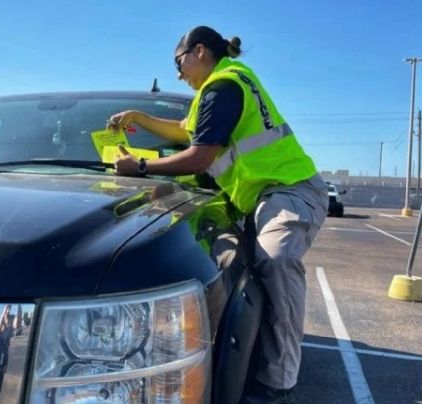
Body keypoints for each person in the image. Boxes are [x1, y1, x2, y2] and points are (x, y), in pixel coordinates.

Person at [108, 25, 328, 403]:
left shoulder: (224, 86)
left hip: (288, 189)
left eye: (179, 64)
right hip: (261, 196)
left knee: (277, 260)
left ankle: (279, 378)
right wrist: (140, 117)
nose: (179, 74)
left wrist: (141, 166)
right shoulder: (213, 91)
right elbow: (184, 131)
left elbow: (200, 156)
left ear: (198, 52)